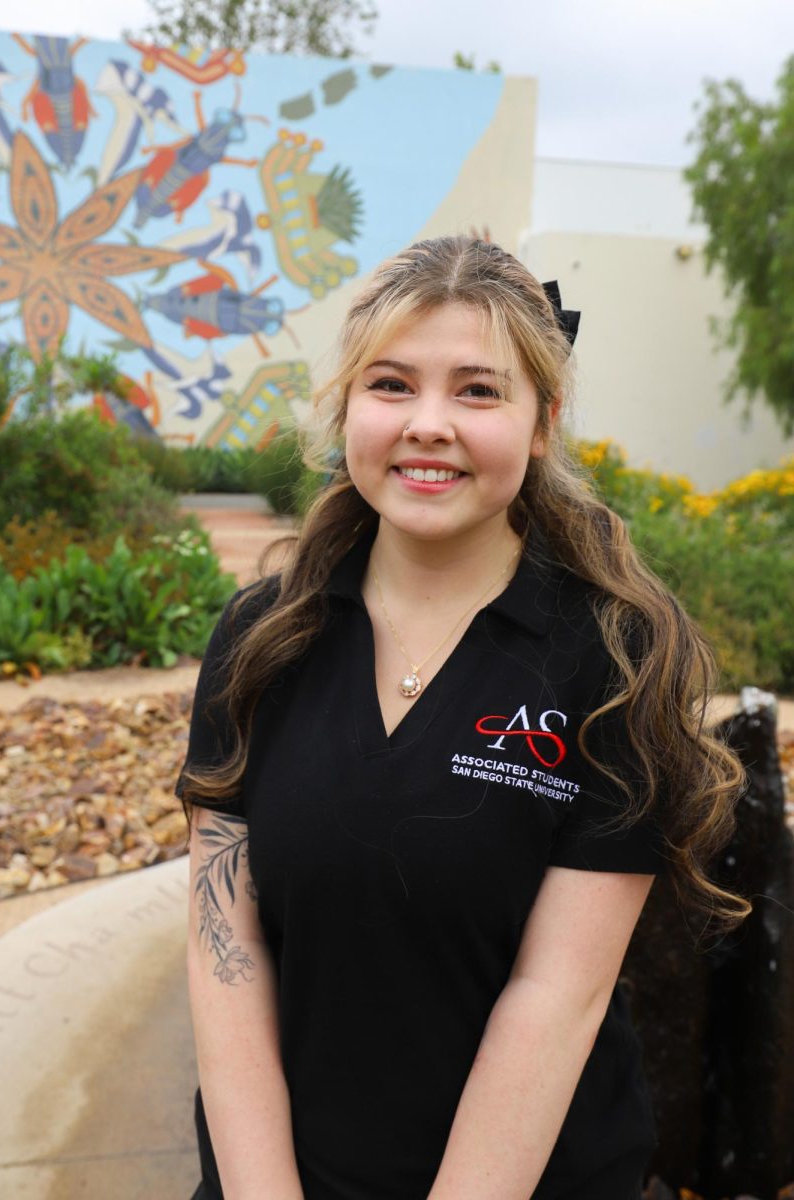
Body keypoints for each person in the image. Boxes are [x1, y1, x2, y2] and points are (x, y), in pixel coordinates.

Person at [176, 235, 751, 1200]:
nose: (427, 424)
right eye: (392, 385)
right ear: (347, 408)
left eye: (478, 391)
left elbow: (555, 998)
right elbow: (223, 948)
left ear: (541, 423)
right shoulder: (260, 639)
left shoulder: (614, 661)